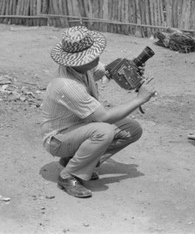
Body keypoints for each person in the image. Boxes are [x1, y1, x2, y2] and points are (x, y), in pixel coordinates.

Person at [41, 26, 157, 198]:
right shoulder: (67, 85)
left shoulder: (85, 67)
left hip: (77, 128)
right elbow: (104, 117)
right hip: (58, 139)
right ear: (76, 61)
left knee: (132, 129)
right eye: (90, 55)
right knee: (105, 130)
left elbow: (110, 72)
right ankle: (68, 176)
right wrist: (139, 99)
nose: (96, 57)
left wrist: (131, 71)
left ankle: (73, 161)